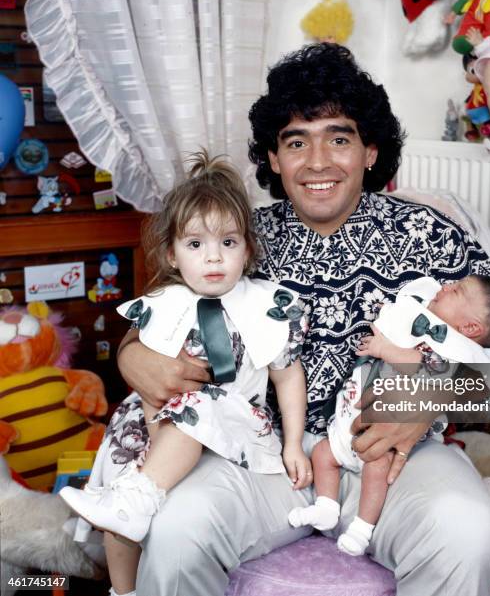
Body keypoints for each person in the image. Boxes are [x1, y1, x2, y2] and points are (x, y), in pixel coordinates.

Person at [113, 43, 490, 596]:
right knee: (177, 529)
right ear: (274, 159)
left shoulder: (430, 234)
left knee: (467, 532)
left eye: (339, 137)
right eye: (295, 141)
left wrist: (430, 400)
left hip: (394, 458)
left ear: (371, 151)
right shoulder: (240, 234)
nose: (318, 162)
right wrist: (130, 354)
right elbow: (159, 317)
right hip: (261, 455)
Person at [63, 152, 311, 596]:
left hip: (234, 422)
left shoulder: (266, 304)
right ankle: (123, 588)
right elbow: (148, 383)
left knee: (193, 406)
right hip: (158, 423)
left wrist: (294, 443)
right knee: (127, 489)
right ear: (173, 255)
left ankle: (139, 498)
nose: (213, 257)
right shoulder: (163, 305)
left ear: (248, 249)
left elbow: (287, 376)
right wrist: (156, 436)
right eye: (195, 245)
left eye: (228, 243)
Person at [288, 274, 490, 556]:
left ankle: (362, 529)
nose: (446, 286)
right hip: (345, 417)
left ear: (471, 327)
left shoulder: (462, 351)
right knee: (324, 453)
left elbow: (434, 368)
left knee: (378, 468)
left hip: (393, 434)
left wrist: (385, 350)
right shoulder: (419, 308)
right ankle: (326, 507)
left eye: (457, 291)